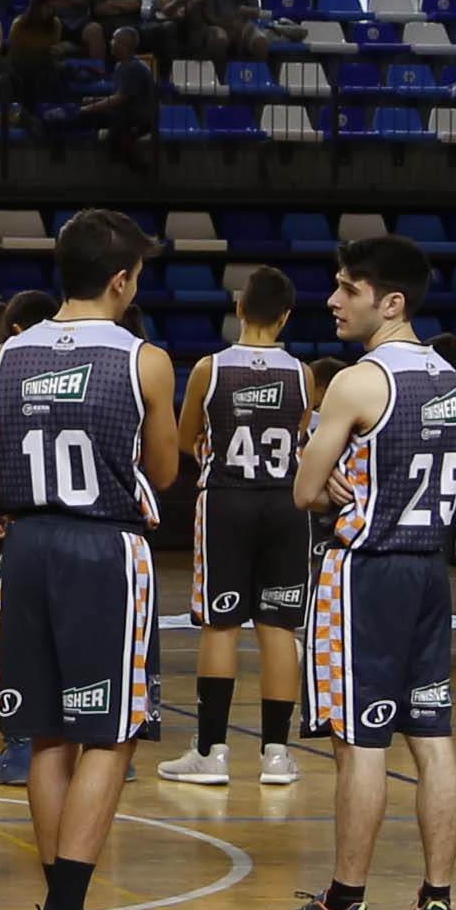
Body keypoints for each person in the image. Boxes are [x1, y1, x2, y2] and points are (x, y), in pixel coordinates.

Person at [0, 211, 184, 910]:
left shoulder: (4, 357)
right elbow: (163, 472)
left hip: (26, 549)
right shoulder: (143, 361)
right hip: (103, 547)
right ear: (122, 279)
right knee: (111, 733)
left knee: (47, 735)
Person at [260, 237, 456, 910]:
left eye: (347, 288)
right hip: (427, 573)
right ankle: (437, 900)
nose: (333, 300)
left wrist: (329, 483)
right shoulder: (447, 376)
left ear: (391, 302)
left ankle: (345, 904)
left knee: (362, 742)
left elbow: (304, 490)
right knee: (433, 739)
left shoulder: (357, 381)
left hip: (368, 570)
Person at [170, 265, 311, 792]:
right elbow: (299, 436)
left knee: (220, 624)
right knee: (279, 627)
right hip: (284, 501)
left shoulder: (211, 368)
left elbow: (187, 439)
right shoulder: (303, 374)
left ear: (239, 309)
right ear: (287, 317)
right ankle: (276, 753)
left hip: (227, 499)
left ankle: (212, 751)